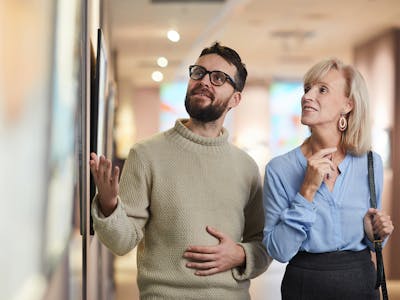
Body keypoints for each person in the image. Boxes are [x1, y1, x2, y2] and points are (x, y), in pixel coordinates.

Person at [90, 42, 271, 299]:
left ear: (236, 98)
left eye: (218, 78)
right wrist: (109, 205)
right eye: (199, 72)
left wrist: (241, 254)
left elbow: (263, 244)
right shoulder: (145, 154)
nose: (204, 81)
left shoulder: (247, 167)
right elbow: (122, 242)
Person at [262, 58, 394, 299]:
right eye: (307, 89)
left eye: (322, 89)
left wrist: (375, 234)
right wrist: (307, 190)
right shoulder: (279, 169)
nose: (307, 96)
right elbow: (279, 251)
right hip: (304, 287)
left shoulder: (370, 163)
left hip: (362, 285)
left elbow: (374, 242)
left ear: (348, 105)